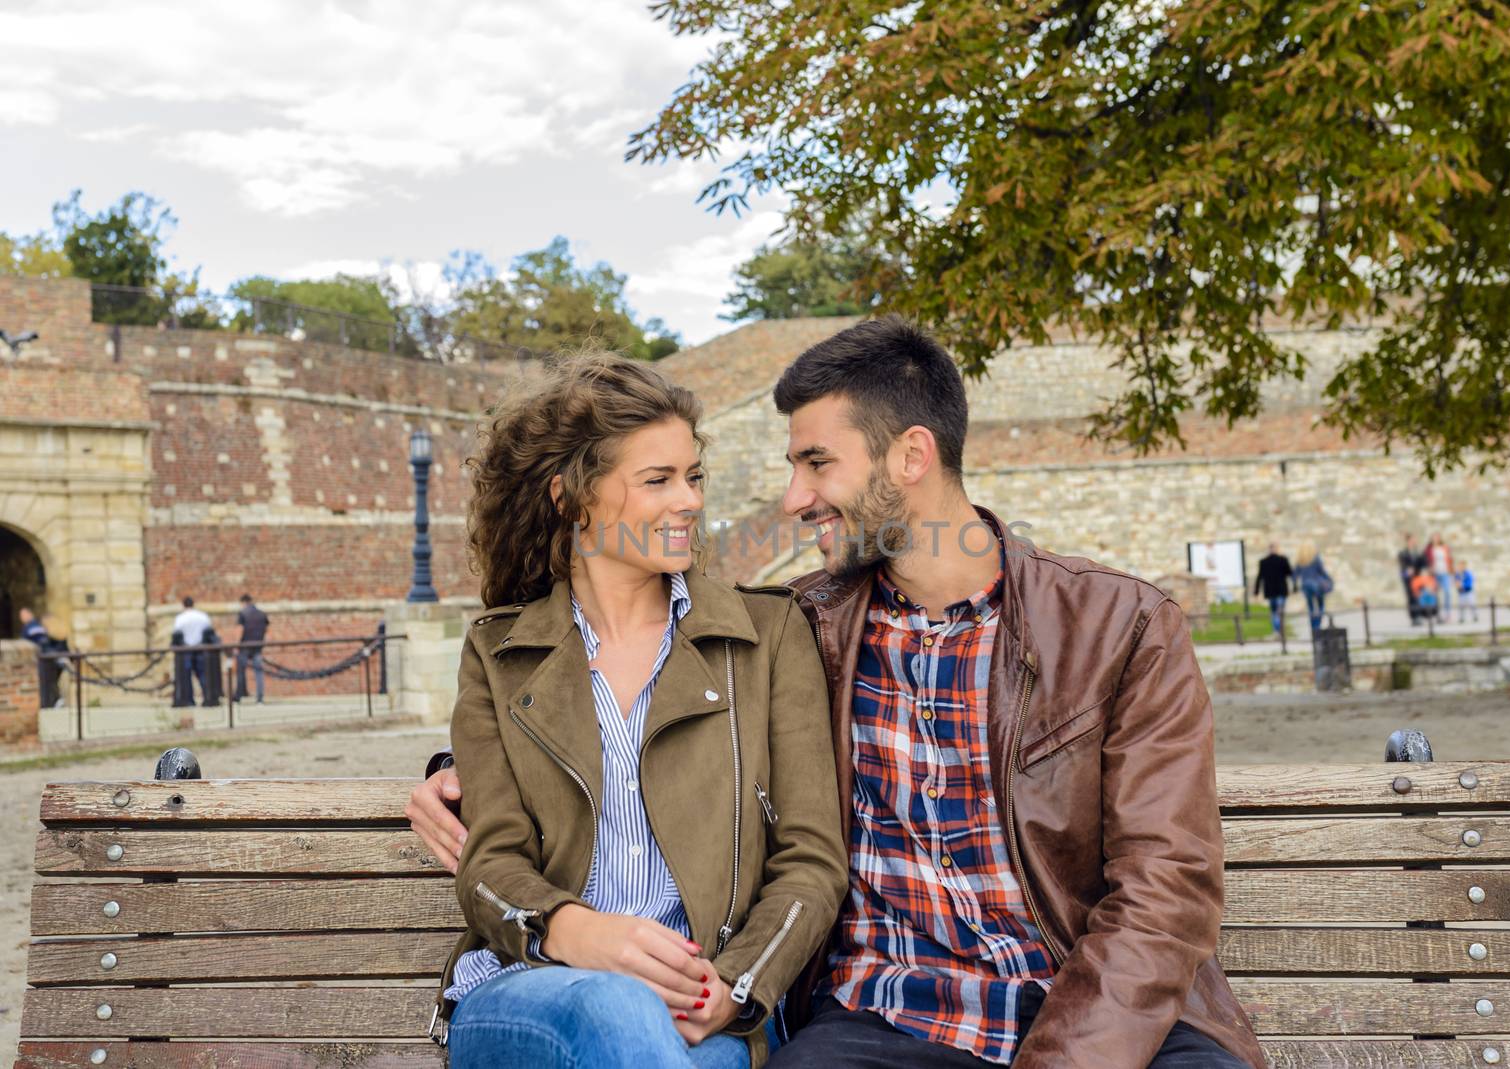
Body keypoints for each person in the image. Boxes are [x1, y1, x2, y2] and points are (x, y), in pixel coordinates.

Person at [412, 319, 1264, 1069]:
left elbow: (1167, 888)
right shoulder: (809, 628)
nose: (792, 499)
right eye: (792, 466)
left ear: (912, 455)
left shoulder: (1120, 627)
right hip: (887, 1020)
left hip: (1095, 1013)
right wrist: (462, 770)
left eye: (817, 463)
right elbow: (615, 685)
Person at [432, 354, 846, 1069]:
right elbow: (491, 861)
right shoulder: (500, 654)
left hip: (703, 1005)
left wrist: (736, 986)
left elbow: (811, 861)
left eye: (693, 476)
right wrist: (573, 930)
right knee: (614, 1006)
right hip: (532, 992)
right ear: (571, 498)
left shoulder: (767, 636)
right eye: (657, 479)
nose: (688, 499)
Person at [19, 607, 66, 709]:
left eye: (23, 615)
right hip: (56, 660)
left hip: (48, 660)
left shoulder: (33, 627)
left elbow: (40, 644)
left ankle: (51, 702)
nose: (21, 618)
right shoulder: (47, 630)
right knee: (51, 683)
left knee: (47, 683)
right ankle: (55, 700)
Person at [171, 596, 213, 708]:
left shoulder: (181, 618)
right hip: (200, 648)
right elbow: (209, 632)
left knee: (186, 676)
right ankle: (208, 698)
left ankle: (189, 700)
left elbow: (176, 634)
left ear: (183, 605)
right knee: (203, 675)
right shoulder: (202, 616)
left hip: (186, 650)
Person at [1252, 543, 1295, 639]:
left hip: (1271, 591)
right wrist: (1295, 586)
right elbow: (1290, 574)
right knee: (1279, 611)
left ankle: (1276, 630)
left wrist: (1256, 591)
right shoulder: (1283, 560)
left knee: (1274, 612)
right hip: (1280, 590)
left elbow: (1259, 577)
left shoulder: (1264, 562)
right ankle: (1279, 630)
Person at [234, 594, 270, 703]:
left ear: (244, 602)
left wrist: (236, 646)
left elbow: (240, 630)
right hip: (258, 646)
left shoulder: (243, 613)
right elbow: (267, 629)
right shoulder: (262, 614)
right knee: (258, 672)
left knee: (241, 671)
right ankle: (259, 698)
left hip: (245, 646)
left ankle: (239, 695)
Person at [1292, 544, 1333, 636]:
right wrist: (1329, 580)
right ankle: (1318, 626)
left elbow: (1295, 575)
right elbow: (1322, 572)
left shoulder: (1301, 560)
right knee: (1320, 606)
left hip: (1305, 586)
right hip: (1316, 585)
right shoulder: (1316, 558)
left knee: (1311, 608)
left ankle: (1313, 628)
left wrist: (1294, 585)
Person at [1397, 534, 1425, 625]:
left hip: (1417, 578)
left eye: (1414, 540)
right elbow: (1402, 565)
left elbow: (1422, 563)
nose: (1414, 542)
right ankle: (1413, 617)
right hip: (1407, 578)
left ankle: (1418, 616)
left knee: (1417, 596)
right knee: (1410, 597)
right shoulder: (1403, 553)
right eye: (1412, 540)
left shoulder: (1418, 553)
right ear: (1408, 541)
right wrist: (1407, 570)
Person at [1427, 533, 1455, 620]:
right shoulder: (1429, 549)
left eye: (1437, 538)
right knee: (1434, 594)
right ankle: (1436, 613)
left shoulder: (1444, 548)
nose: (1435, 540)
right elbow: (1427, 560)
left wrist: (1451, 570)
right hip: (1435, 574)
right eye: (1434, 538)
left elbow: (1450, 559)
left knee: (1447, 592)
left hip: (1445, 573)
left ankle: (1448, 613)